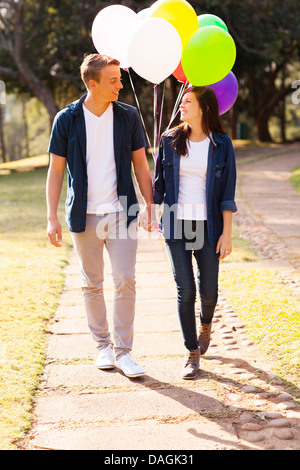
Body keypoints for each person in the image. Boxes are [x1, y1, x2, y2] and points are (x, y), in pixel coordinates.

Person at [46, 54, 155, 378]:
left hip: (121, 212)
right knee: (91, 283)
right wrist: (51, 217)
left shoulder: (128, 117)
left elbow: (141, 165)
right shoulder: (66, 119)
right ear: (92, 84)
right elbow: (55, 171)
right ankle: (103, 347)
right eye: (113, 80)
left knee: (125, 280)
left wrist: (150, 205)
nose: (120, 85)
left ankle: (124, 352)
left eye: (120, 79)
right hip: (84, 217)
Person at [153, 86, 237, 379]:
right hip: (177, 224)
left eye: (188, 102)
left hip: (209, 226)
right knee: (185, 290)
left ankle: (206, 324)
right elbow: (158, 186)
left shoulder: (222, 145)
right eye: (182, 102)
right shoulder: (169, 140)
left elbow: (227, 193)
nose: (181, 106)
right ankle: (191, 351)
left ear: (204, 109)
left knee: (209, 293)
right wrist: (151, 211)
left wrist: (227, 233)